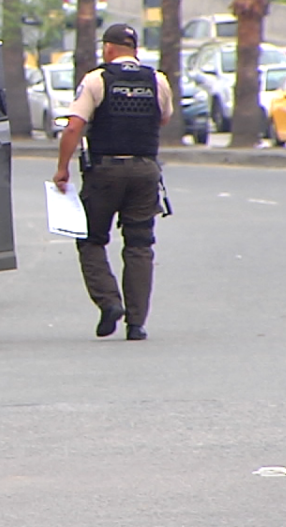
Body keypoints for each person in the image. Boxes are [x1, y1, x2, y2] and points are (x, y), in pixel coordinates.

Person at [52, 23, 173, 341]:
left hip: (105, 172)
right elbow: (163, 118)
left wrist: (62, 169)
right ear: (135, 50)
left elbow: (73, 127)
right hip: (145, 171)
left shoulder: (96, 79)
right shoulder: (157, 80)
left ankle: (109, 302)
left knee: (90, 239)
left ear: (108, 48)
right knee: (140, 244)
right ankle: (137, 323)